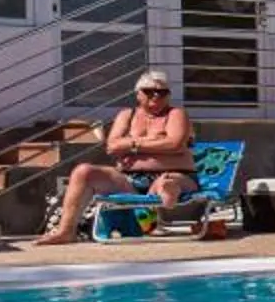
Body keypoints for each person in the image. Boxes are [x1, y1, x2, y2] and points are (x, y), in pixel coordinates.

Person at [36, 69, 196, 244]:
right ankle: (66, 231)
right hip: (129, 179)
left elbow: (174, 144)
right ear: (138, 94)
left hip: (175, 173)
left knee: (167, 182)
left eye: (162, 92)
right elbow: (112, 146)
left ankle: (161, 198)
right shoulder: (127, 115)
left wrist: (131, 144)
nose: (156, 95)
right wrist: (155, 141)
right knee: (83, 172)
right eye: (149, 91)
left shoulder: (176, 114)